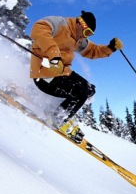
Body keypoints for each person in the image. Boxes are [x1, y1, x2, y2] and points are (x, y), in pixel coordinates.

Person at [29, 11, 123, 142]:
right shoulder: (60, 24)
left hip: (61, 72)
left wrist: (110, 48)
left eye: (89, 34)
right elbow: (38, 28)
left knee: (89, 89)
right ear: (80, 23)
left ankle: (61, 111)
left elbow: (92, 50)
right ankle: (57, 119)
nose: (86, 36)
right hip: (44, 73)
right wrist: (54, 56)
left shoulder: (78, 39)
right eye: (86, 32)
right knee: (80, 93)